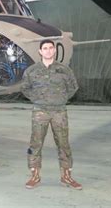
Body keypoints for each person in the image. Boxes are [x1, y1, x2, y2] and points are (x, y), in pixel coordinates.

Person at [21, 39, 81, 190]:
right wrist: (37, 99)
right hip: (40, 111)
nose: (48, 51)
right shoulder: (32, 71)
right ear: (40, 51)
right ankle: (35, 175)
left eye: (50, 48)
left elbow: (73, 87)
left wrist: (61, 99)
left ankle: (66, 176)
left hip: (59, 111)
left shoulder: (64, 69)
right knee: (36, 144)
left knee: (63, 144)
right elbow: (25, 88)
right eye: (45, 48)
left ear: (54, 50)